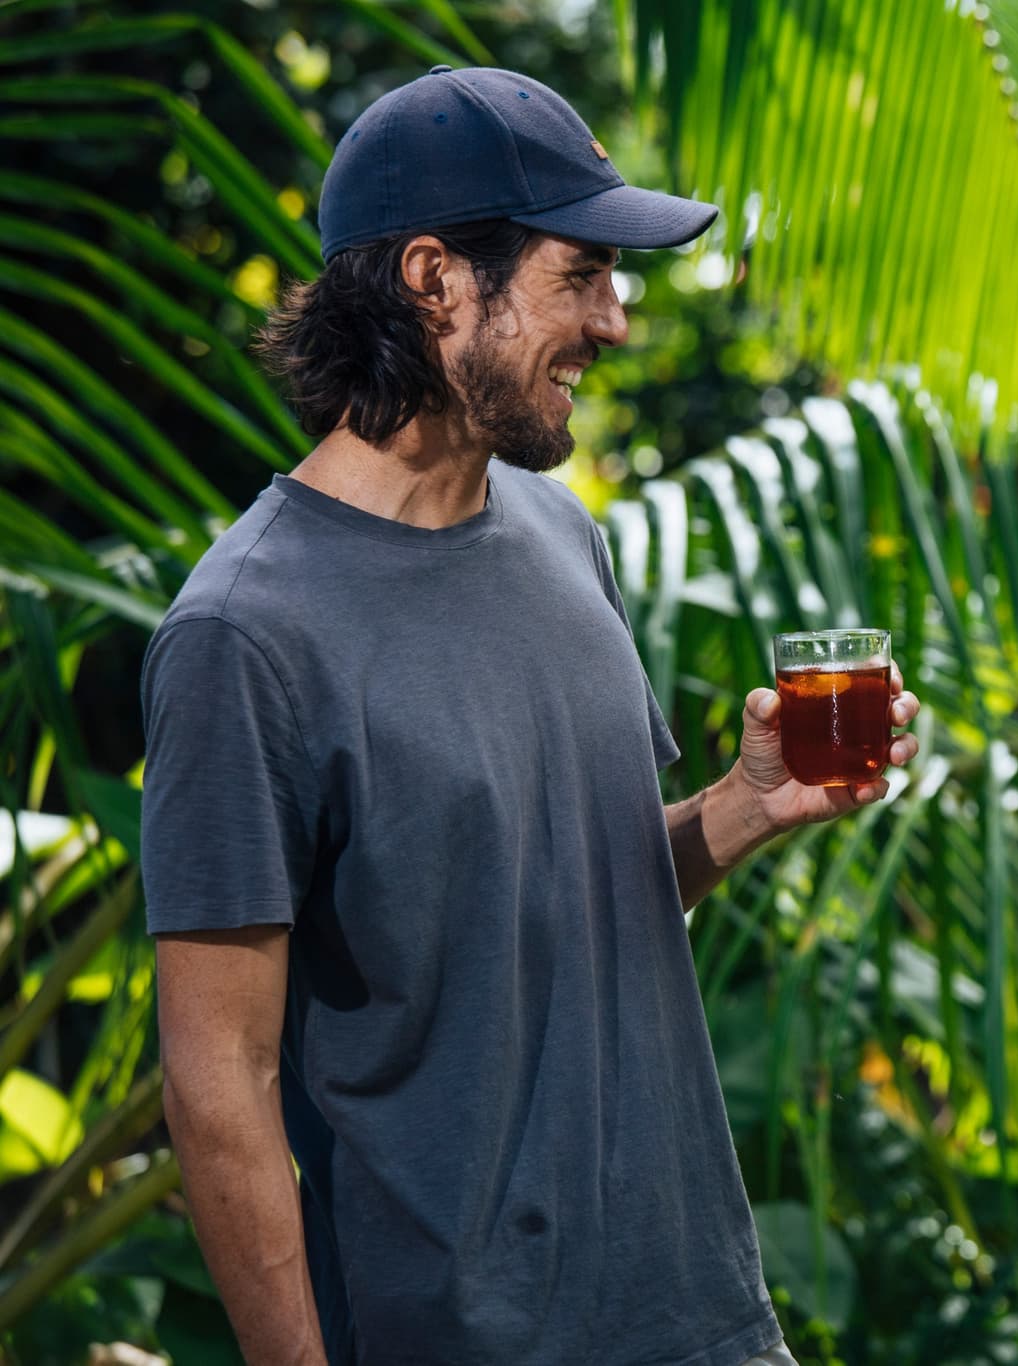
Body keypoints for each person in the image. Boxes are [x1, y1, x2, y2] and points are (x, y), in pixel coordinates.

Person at [139, 66, 917, 1365]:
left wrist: (739, 809)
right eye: (583, 275)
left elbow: (571, 902)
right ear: (435, 279)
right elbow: (219, 1082)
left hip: (699, 1317)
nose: (615, 321)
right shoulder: (244, 634)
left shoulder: (562, 535)